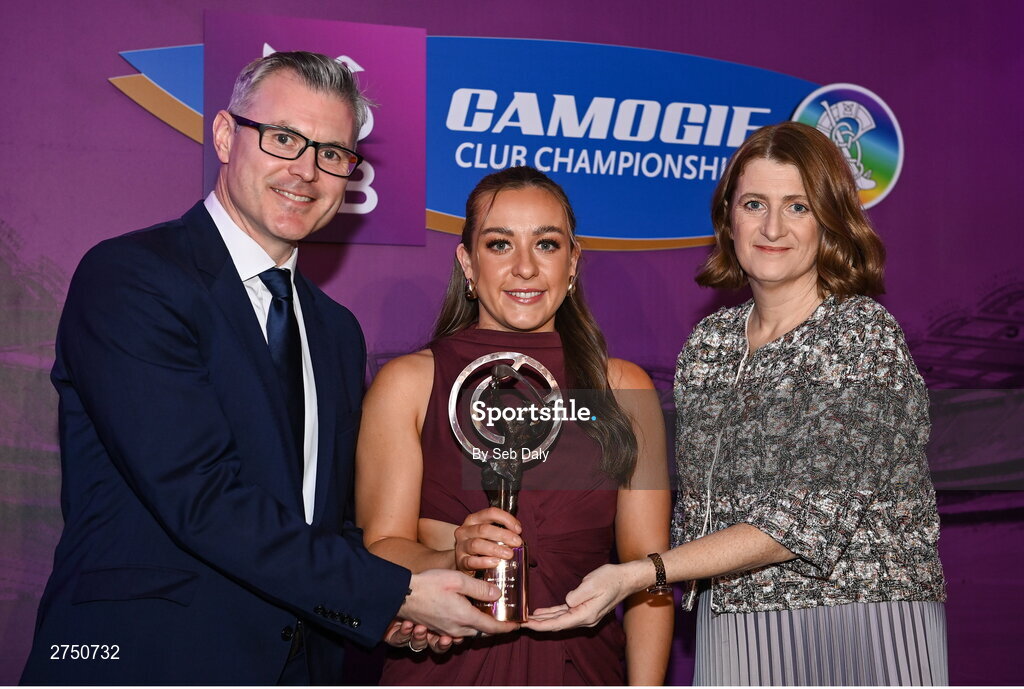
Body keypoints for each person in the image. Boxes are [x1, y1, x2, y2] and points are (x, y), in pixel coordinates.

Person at [20, 51, 513, 686]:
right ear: (226, 135)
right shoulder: (133, 279)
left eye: (332, 154)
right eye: (283, 139)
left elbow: (322, 520)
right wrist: (389, 593)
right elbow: (199, 495)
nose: (306, 171)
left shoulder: (335, 330)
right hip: (147, 657)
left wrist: (382, 608)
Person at [527, 122, 948, 685]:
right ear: (729, 217)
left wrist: (641, 574)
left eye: (797, 206)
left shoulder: (860, 336)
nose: (773, 227)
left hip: (857, 626)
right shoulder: (711, 345)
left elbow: (803, 520)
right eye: (755, 204)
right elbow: (696, 512)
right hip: (732, 627)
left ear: (829, 220)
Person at [355, 166, 674, 685]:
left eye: (546, 245)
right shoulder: (410, 383)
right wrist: (453, 554)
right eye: (500, 244)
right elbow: (382, 550)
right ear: (468, 263)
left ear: (572, 263)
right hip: (448, 668)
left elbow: (647, 573)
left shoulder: (624, 389)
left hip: (582, 669)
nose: (525, 268)